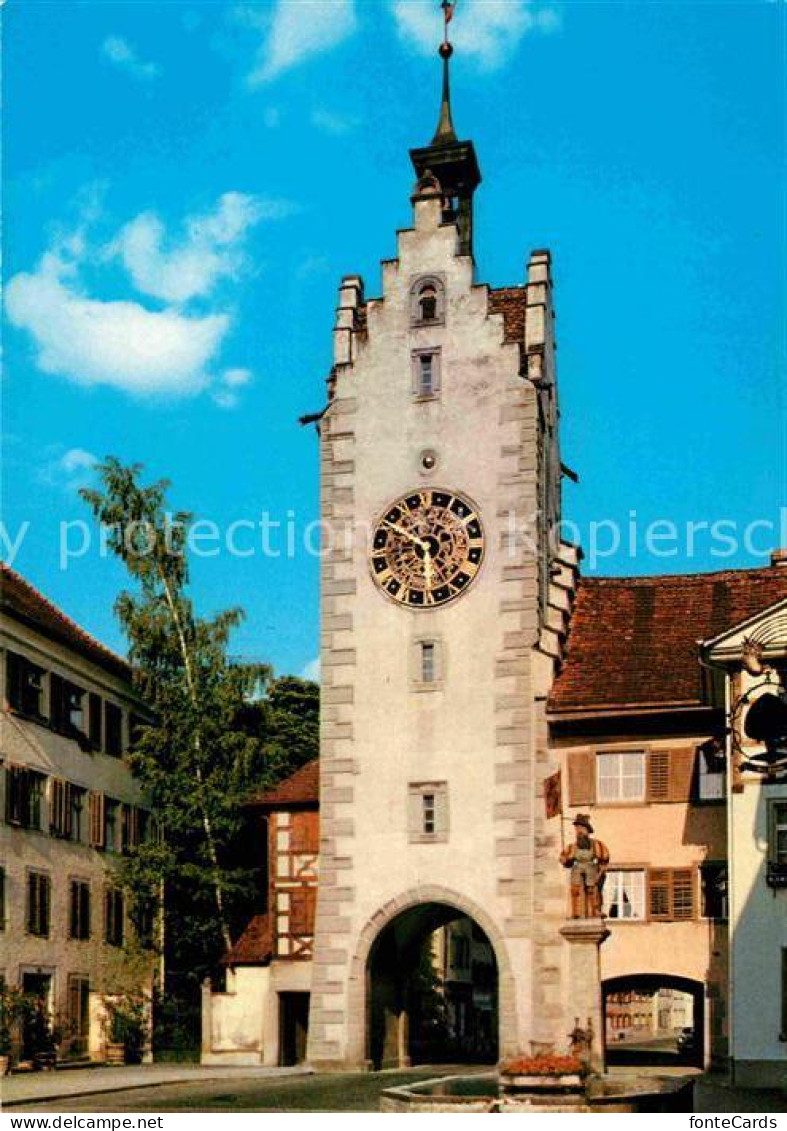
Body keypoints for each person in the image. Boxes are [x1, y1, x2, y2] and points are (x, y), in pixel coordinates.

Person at [559, 814, 610, 918]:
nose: (579, 831)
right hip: (577, 866)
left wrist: (601, 871)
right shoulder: (572, 847)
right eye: (577, 828)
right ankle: (575, 912)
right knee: (575, 889)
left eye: (582, 828)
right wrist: (566, 859)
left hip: (591, 866)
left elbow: (604, 857)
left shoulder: (596, 844)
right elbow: (563, 858)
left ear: (587, 830)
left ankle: (595, 910)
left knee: (592, 888)